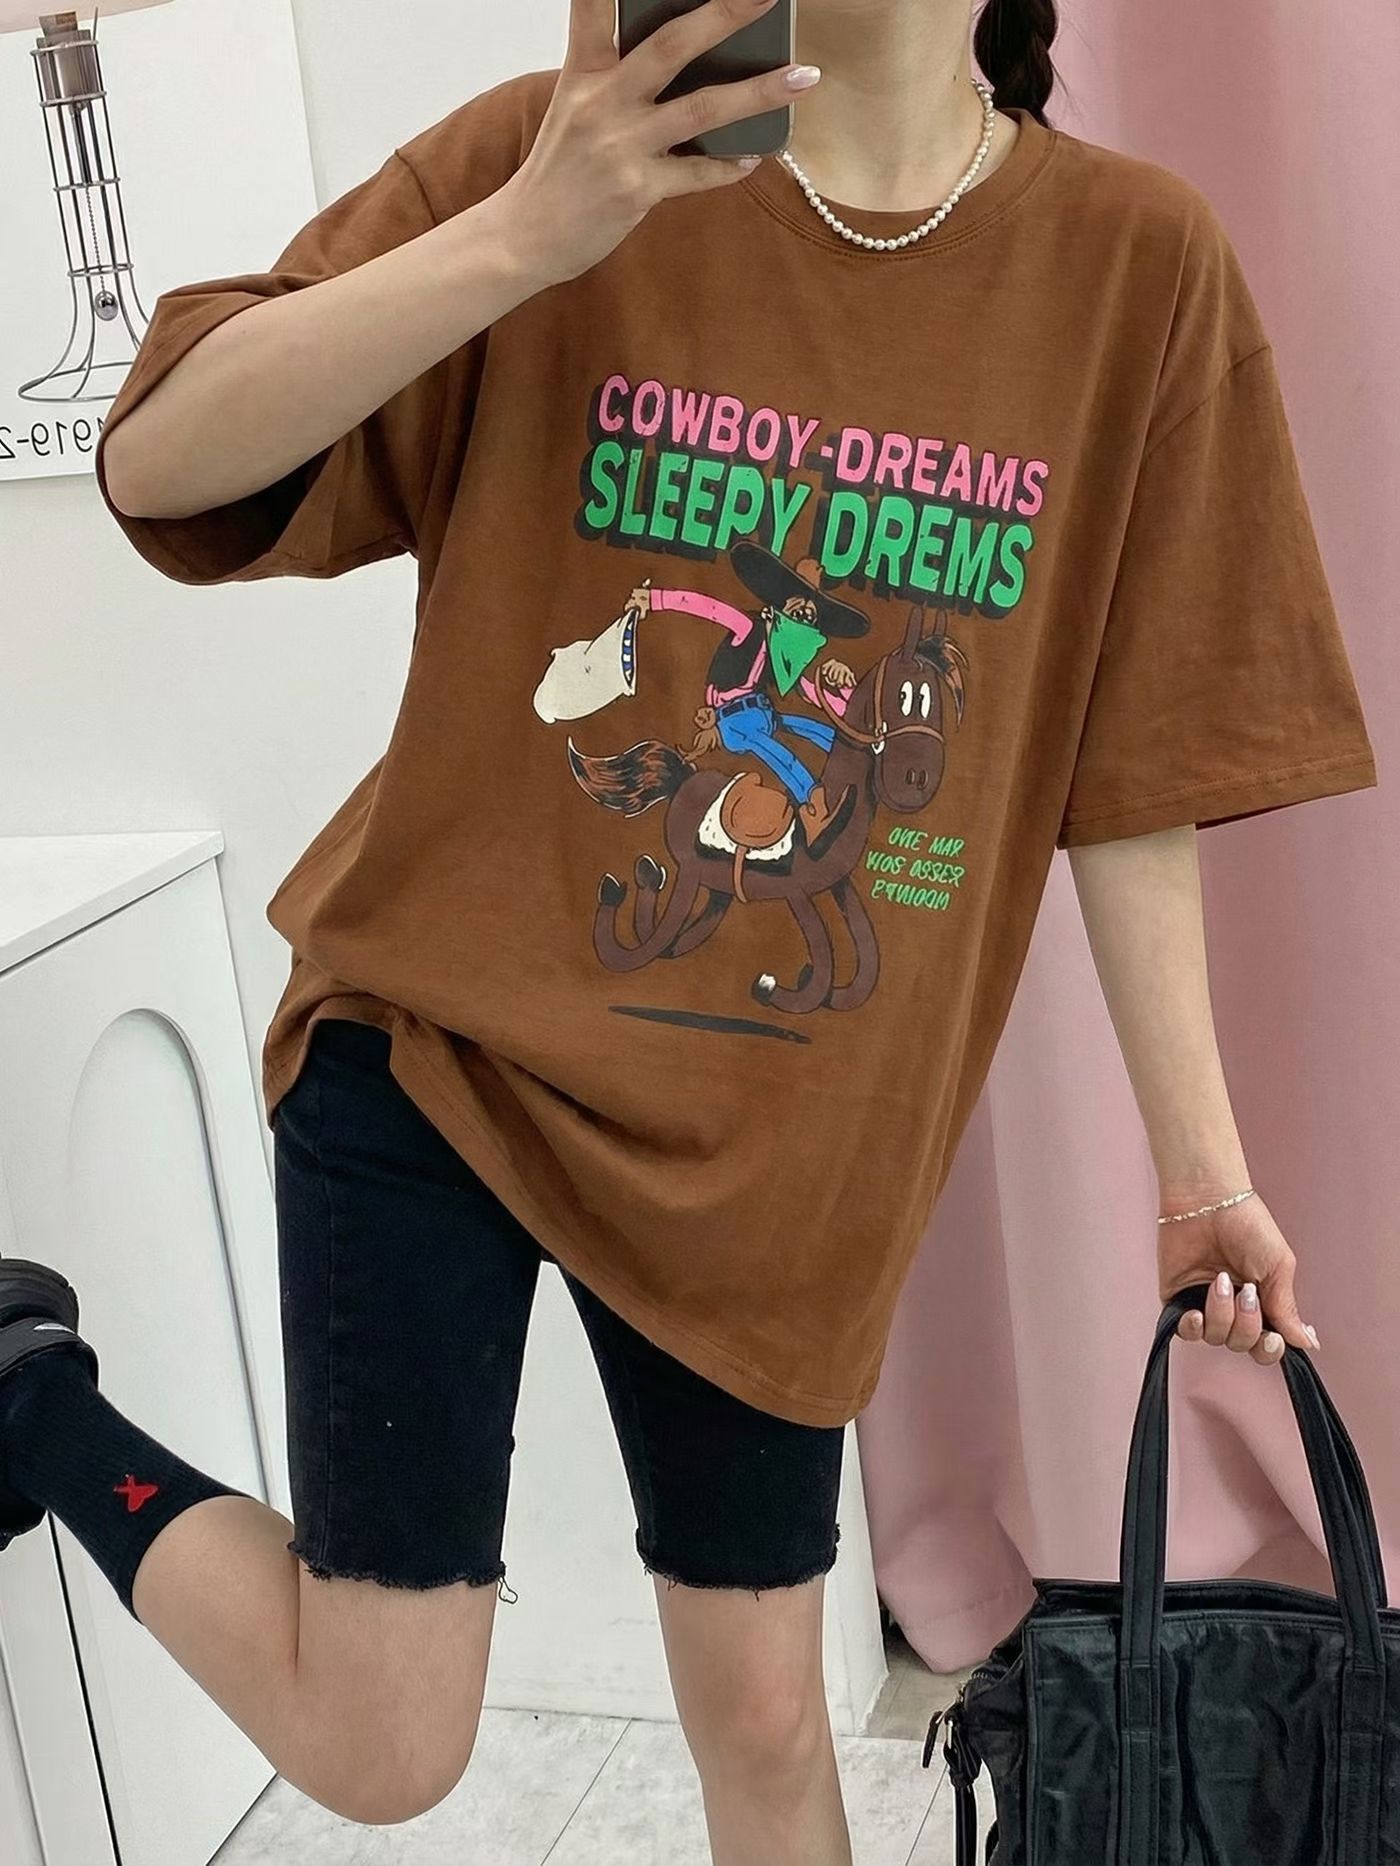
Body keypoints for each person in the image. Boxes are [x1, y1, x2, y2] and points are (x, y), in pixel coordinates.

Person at [0, 0, 1378, 1860]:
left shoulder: (1137, 267)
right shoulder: (571, 149)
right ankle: (30, 1400)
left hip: (780, 1152)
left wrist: (1201, 1170)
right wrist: (528, 233)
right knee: (382, 1741)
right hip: (442, 1053)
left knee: (769, 1721)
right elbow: (158, 460)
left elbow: (1138, 767)